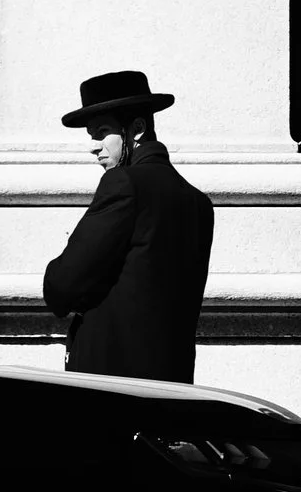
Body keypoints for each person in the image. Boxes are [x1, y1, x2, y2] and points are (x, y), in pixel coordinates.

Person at [40, 68, 215, 382]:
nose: (94, 146)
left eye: (102, 132)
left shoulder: (124, 184)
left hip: (113, 387)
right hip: (172, 386)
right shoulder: (197, 202)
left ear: (136, 129)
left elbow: (61, 286)